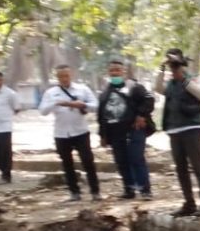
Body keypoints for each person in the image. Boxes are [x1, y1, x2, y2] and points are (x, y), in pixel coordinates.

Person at [154, 49, 200, 220]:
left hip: (192, 129)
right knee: (181, 170)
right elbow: (158, 88)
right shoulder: (171, 83)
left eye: (175, 63)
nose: (173, 67)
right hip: (174, 130)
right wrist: (161, 68)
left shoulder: (191, 78)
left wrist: (183, 78)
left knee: (198, 168)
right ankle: (189, 203)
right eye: (171, 63)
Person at [38, 65, 101, 202]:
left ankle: (95, 192)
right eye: (61, 76)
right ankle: (74, 192)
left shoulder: (82, 89)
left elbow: (96, 106)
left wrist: (82, 104)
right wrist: (56, 103)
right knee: (67, 164)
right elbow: (42, 111)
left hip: (81, 131)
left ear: (71, 75)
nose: (64, 79)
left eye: (66, 75)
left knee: (88, 161)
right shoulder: (51, 93)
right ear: (57, 77)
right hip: (61, 133)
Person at [96, 59, 155, 200]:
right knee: (121, 161)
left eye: (117, 70)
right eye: (112, 70)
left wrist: (141, 115)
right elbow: (101, 115)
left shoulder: (134, 87)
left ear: (124, 72)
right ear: (108, 73)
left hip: (134, 129)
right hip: (115, 133)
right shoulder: (105, 92)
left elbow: (149, 99)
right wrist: (103, 135)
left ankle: (145, 190)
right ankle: (129, 189)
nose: (115, 73)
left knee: (136, 158)